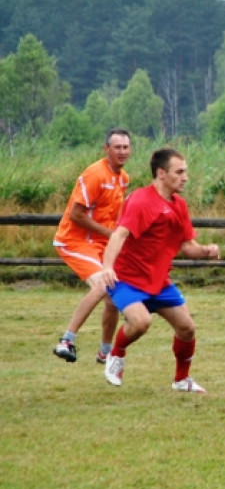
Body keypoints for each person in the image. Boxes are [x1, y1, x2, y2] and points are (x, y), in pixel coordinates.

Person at [87, 147, 220, 393]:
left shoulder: (179, 205)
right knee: (140, 322)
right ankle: (116, 355)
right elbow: (119, 235)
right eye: (179, 172)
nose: (185, 177)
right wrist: (107, 268)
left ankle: (181, 380)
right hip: (127, 279)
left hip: (158, 282)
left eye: (185, 172)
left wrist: (206, 251)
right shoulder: (141, 201)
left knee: (187, 329)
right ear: (161, 173)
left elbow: (187, 247)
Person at [52, 128, 133, 364]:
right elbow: (76, 214)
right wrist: (111, 234)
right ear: (106, 149)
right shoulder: (95, 174)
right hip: (74, 241)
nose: (122, 151)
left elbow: (113, 214)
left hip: (100, 244)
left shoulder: (123, 178)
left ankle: (105, 352)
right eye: (117, 147)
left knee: (112, 296)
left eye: (126, 147)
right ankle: (66, 340)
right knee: (103, 284)